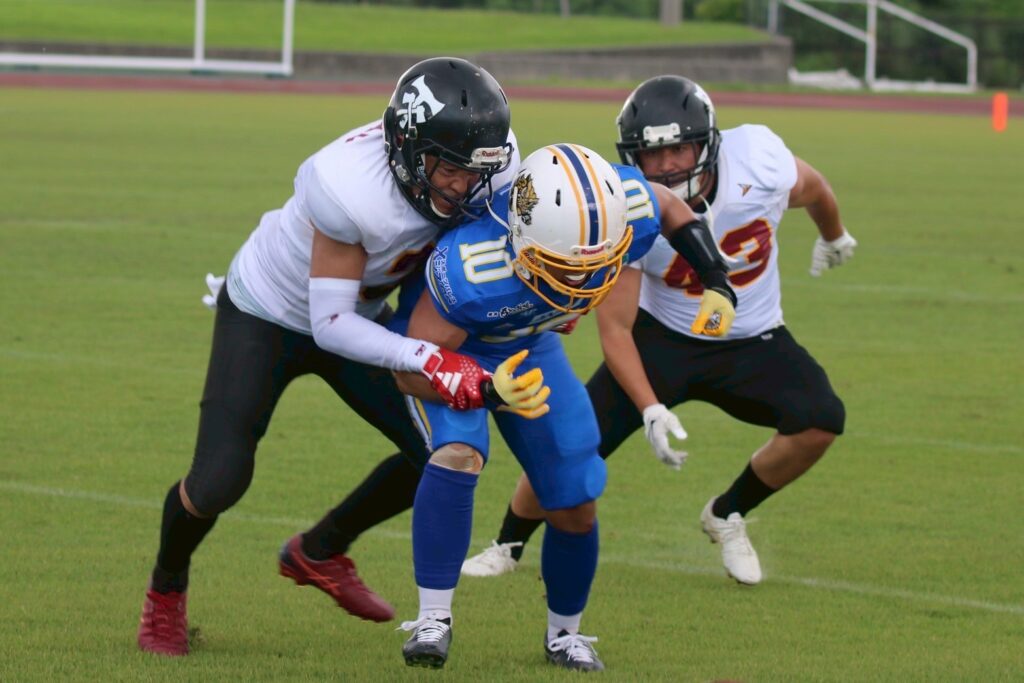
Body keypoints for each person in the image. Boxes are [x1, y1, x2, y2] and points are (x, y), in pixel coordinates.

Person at [137, 57, 522, 656]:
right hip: (270, 310)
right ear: (407, 149)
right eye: (449, 168)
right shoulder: (348, 186)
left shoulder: (489, 163)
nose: (462, 186)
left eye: (474, 171)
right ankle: (165, 591)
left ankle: (319, 550)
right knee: (218, 480)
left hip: (362, 312)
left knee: (440, 454)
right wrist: (429, 358)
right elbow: (331, 323)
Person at [461, 75, 852, 586]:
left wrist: (834, 235)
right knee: (572, 445)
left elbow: (815, 188)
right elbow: (617, 329)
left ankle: (727, 513)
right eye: (652, 154)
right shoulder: (629, 205)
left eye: (678, 149)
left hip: (754, 339)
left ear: (707, 144)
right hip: (662, 341)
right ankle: (508, 543)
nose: (666, 165)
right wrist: (649, 408)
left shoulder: (758, 161)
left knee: (821, 419)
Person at [389, 143, 738, 671]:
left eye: (599, 263)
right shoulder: (471, 270)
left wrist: (716, 278)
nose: (582, 279)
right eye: (564, 265)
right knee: (459, 453)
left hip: (530, 345)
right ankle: (432, 619)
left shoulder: (625, 204)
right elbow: (408, 370)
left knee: (575, 493)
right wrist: (484, 390)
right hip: (455, 351)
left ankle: (565, 636)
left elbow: (668, 205)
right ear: (520, 239)